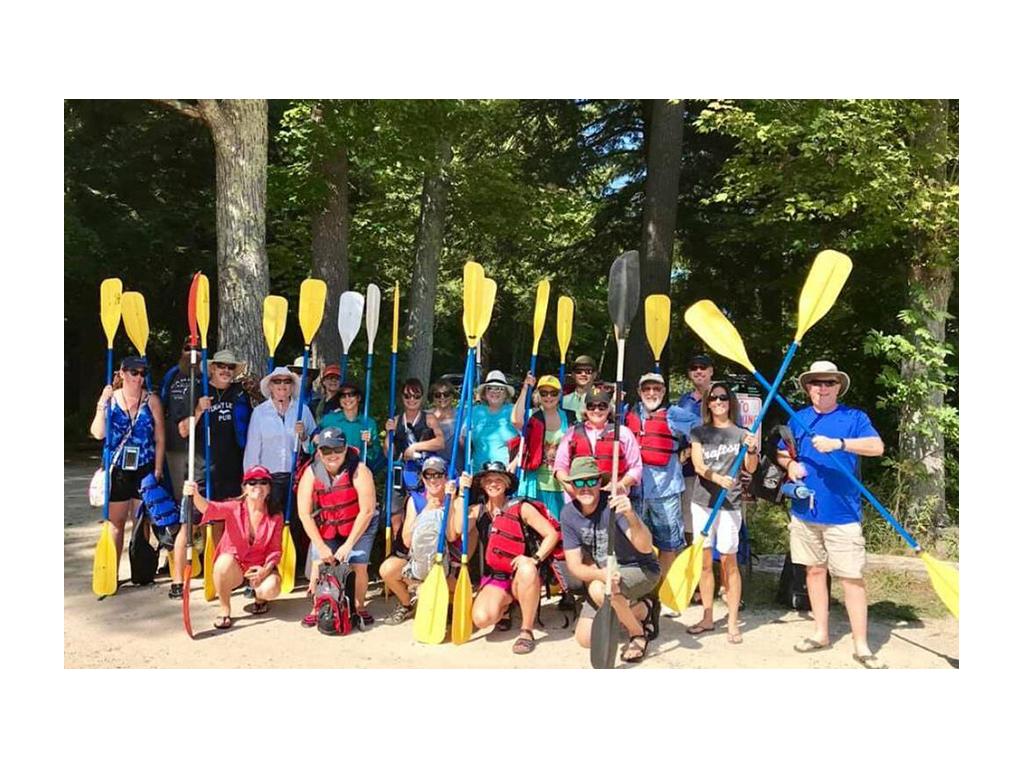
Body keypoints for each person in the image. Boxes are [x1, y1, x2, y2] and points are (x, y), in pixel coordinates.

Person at [775, 361, 886, 669]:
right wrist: (789, 466)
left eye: (829, 383)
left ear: (838, 387)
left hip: (843, 513)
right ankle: (820, 633)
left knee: (851, 578)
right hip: (805, 511)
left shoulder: (854, 418)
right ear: (808, 387)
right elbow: (783, 450)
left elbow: (877, 447)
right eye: (816, 383)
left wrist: (839, 443)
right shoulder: (798, 418)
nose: (822, 388)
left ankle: (861, 644)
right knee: (813, 572)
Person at [168, 348, 252, 599]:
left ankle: (218, 575)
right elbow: (183, 430)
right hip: (201, 470)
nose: (225, 371)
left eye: (230, 367)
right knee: (188, 525)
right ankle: (176, 581)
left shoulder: (239, 394)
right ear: (212, 369)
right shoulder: (196, 391)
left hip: (230, 470)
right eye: (221, 367)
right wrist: (199, 410)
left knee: (222, 527)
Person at [559, 456, 661, 663]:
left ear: (599, 482)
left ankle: (637, 633)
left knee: (598, 589)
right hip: (605, 572)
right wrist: (600, 574)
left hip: (640, 568)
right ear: (571, 486)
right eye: (579, 482)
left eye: (591, 481)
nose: (585, 487)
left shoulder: (613, 505)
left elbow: (644, 547)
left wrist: (631, 515)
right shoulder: (568, 514)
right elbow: (574, 565)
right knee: (585, 638)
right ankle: (643, 609)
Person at [686, 382, 759, 644]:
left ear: (730, 402)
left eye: (723, 398)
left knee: (729, 561)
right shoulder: (699, 432)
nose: (718, 402)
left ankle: (731, 621)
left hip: (730, 504)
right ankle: (707, 617)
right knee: (705, 562)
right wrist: (717, 478)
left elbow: (750, 468)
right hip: (703, 502)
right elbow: (697, 465)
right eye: (713, 399)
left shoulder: (741, 433)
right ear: (707, 404)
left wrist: (751, 448)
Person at [470, 461, 559, 655]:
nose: (493, 484)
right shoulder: (477, 511)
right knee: (481, 619)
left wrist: (534, 558)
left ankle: (526, 630)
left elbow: (551, 534)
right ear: (483, 485)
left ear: (507, 484)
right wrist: (458, 494)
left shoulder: (521, 507)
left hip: (522, 575)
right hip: (497, 577)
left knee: (527, 569)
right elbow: (454, 532)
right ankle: (506, 606)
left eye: (498, 480)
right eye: (489, 480)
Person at [295, 427, 379, 629]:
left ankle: (359, 607)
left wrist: (348, 546)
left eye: (337, 449)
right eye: (326, 450)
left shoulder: (360, 470)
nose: (332, 455)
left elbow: (367, 511)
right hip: (330, 524)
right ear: (319, 452)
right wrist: (321, 547)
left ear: (345, 448)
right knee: (319, 563)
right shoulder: (311, 472)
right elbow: (304, 514)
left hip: (360, 524)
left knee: (358, 564)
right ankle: (319, 606)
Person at [90, 356, 166, 575]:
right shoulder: (111, 399)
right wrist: (101, 405)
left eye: (143, 374)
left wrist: (158, 468)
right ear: (122, 374)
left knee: (141, 520)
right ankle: (110, 573)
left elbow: (160, 438)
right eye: (134, 373)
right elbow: (98, 433)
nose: (139, 378)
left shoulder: (151, 400)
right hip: (118, 470)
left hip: (144, 468)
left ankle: (141, 570)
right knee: (116, 522)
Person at [181, 466, 283, 630]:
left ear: (269, 488)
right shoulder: (234, 507)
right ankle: (224, 608)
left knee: (270, 589)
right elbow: (209, 509)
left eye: (263, 482)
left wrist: (265, 570)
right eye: (252, 482)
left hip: (260, 567)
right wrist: (194, 494)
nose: (258, 486)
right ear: (245, 487)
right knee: (222, 563)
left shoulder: (276, 515)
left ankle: (260, 598)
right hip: (235, 565)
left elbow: (275, 549)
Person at [624, 372, 699, 582]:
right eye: (646, 389)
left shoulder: (675, 414)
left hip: (665, 492)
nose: (651, 393)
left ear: (663, 391)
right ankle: (641, 589)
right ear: (639, 392)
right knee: (636, 543)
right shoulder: (627, 413)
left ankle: (666, 591)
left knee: (669, 544)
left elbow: (706, 429)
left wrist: (687, 452)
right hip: (635, 492)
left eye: (656, 389)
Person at [378, 456, 469, 625]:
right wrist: (427, 510)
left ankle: (443, 603)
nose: (433, 480)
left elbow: (451, 535)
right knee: (387, 569)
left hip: (445, 568)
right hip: (418, 564)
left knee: (454, 594)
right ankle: (407, 604)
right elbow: (406, 540)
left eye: (438, 475)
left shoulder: (455, 500)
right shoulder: (415, 500)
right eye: (428, 476)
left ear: (446, 477)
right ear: (423, 478)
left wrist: (452, 499)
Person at [243, 367, 316, 509]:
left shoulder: (303, 410)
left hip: (295, 478)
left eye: (287, 381)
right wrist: (250, 480)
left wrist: (304, 436)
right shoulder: (260, 413)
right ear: (270, 386)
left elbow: (314, 446)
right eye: (277, 381)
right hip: (267, 479)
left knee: (294, 523)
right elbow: (252, 449)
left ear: (292, 386)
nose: (282, 385)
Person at [552, 388, 642, 496]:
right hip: (578, 497)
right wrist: (570, 488)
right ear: (585, 409)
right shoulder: (571, 433)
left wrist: (620, 485)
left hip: (612, 497)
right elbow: (560, 466)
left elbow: (636, 467)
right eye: (591, 406)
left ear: (609, 408)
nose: (596, 410)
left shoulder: (623, 433)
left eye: (602, 406)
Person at [510, 372, 575, 517]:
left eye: (553, 393)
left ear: (559, 395)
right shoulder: (532, 416)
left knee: (560, 528)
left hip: (562, 484)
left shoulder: (569, 417)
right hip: (536, 483)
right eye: (544, 393)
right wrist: (525, 389)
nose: (549, 397)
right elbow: (515, 420)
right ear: (538, 394)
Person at [677, 353, 714, 545]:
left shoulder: (722, 396)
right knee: (690, 516)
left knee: (716, 518)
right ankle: (693, 561)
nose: (698, 371)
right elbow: (678, 434)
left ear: (711, 371)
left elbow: (735, 431)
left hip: (717, 469)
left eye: (703, 367)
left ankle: (714, 565)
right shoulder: (684, 401)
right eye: (694, 368)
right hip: (690, 470)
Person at [385, 377, 445, 492]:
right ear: (402, 397)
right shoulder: (396, 420)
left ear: (422, 398)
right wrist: (388, 433)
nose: (412, 399)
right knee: (395, 508)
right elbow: (389, 453)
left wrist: (415, 447)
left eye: (416, 396)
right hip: (401, 472)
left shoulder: (429, 418)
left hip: (424, 473)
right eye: (407, 396)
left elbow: (440, 442)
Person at [316, 380, 383, 471]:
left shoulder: (369, 423)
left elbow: (375, 457)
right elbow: (313, 446)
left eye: (351, 395)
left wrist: (369, 444)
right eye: (343, 396)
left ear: (358, 398)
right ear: (339, 400)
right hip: (331, 472)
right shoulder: (328, 420)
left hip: (357, 473)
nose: (347, 399)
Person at [464, 371, 517, 475]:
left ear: (506, 393)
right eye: (490, 388)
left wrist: (515, 463)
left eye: (500, 388)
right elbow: (463, 439)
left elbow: (526, 440)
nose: (495, 392)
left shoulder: (513, 411)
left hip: (506, 471)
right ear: (484, 392)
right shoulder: (475, 411)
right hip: (478, 471)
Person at [428, 380, 458, 468]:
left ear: (452, 396)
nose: (442, 397)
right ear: (433, 397)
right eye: (437, 395)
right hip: (432, 469)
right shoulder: (425, 416)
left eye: (446, 394)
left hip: (456, 466)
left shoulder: (462, 415)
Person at [561, 355, 597, 421]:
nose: (583, 374)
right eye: (578, 371)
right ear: (573, 375)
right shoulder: (563, 401)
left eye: (588, 371)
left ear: (594, 375)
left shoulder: (601, 399)